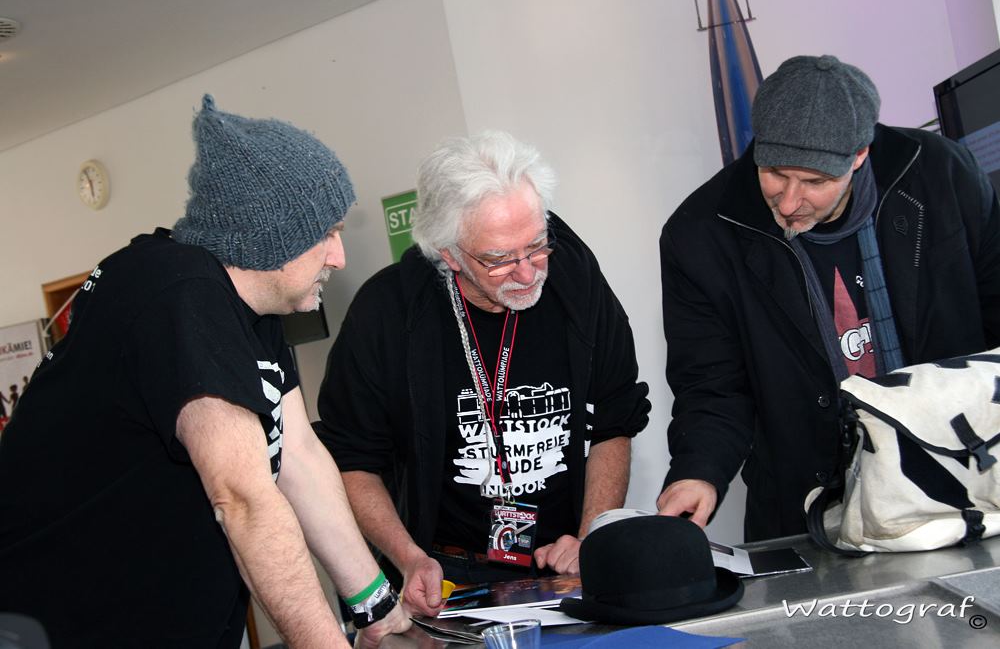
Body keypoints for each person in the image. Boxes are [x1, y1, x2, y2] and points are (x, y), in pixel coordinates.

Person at [0, 95, 410, 648]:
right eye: (325, 235)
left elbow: (300, 457)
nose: (338, 257)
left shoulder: (252, 308)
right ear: (272, 236)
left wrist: (377, 608)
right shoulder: (179, 295)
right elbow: (242, 497)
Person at [657, 55, 1000, 541]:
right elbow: (712, 386)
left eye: (816, 182)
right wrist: (699, 473)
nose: (789, 201)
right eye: (775, 172)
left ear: (859, 155)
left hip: (962, 481)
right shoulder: (700, 235)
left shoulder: (942, 176)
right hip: (808, 508)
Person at [315, 130, 650, 617]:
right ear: (448, 253)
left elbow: (615, 417)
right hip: (448, 573)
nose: (528, 273)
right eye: (499, 259)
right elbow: (353, 459)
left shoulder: (577, 284)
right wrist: (408, 558)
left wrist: (589, 535)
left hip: (563, 560)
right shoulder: (385, 313)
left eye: (537, 246)